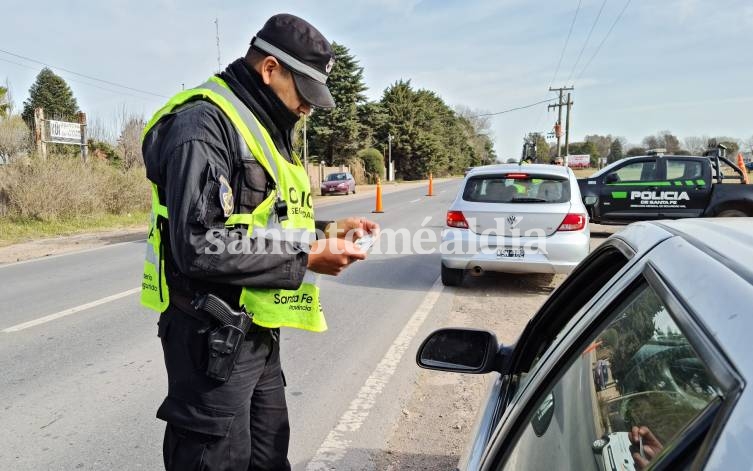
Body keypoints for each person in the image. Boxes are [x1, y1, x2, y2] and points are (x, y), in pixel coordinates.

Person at [140, 14, 378, 470]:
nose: (308, 108)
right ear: (270, 69)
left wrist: (326, 232)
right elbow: (200, 243)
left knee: (269, 459)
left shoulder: (260, 124)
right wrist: (308, 256)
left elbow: (262, 221)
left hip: (256, 334)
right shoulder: (204, 126)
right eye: (304, 94)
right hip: (211, 338)